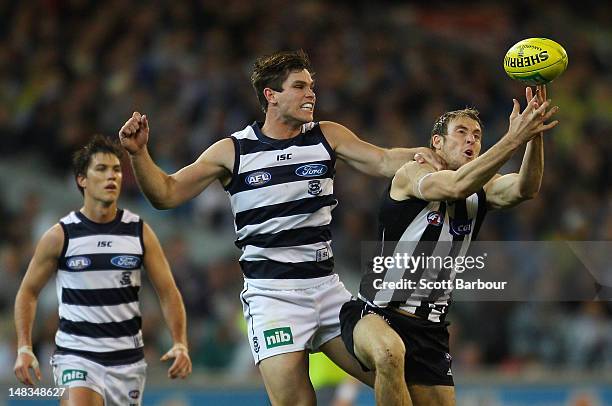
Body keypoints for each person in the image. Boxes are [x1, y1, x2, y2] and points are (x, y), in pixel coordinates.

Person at [118, 49, 445, 405]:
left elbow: (382, 159)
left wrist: (427, 154)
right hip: (273, 298)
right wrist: (138, 154)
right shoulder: (233, 150)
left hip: (327, 290)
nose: (311, 94)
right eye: (300, 87)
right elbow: (166, 194)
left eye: (312, 86)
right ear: (271, 96)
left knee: (393, 365)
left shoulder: (326, 136)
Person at [339, 86, 559, 405]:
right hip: (376, 313)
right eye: (461, 132)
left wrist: (533, 134)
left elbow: (526, 188)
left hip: (430, 331)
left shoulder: (485, 189)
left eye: (477, 134)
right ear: (437, 142)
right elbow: (454, 186)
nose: (471, 139)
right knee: (389, 353)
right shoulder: (412, 173)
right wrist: (513, 138)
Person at [13, 135, 192, 405]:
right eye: (102, 169)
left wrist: (180, 342)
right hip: (77, 355)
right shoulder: (60, 235)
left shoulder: (139, 232)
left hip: (127, 362)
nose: (112, 176)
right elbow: (27, 292)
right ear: (81, 180)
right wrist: (25, 347)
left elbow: (168, 292)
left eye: (117, 169)